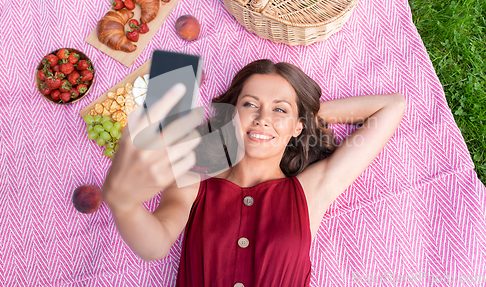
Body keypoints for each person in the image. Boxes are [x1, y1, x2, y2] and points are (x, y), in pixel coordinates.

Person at [102, 59, 407, 286]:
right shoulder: (193, 183)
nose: (262, 118)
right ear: (230, 113)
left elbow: (392, 106)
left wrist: (295, 120)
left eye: (278, 108)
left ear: (298, 126)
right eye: (250, 105)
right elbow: (155, 244)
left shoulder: (309, 191)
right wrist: (125, 206)